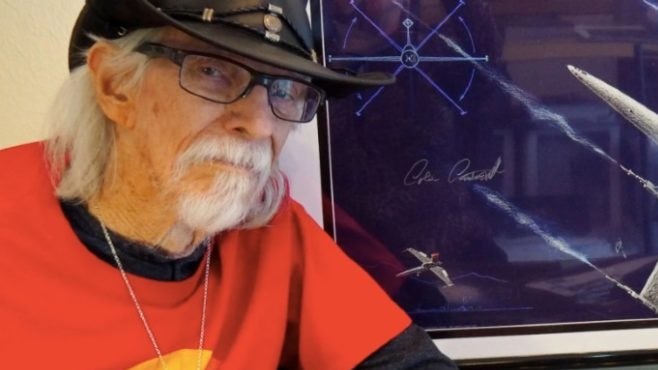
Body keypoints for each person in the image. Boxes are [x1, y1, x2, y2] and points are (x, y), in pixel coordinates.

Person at [0, 0, 458, 368]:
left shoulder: (268, 226)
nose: (259, 125)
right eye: (212, 71)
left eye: (285, 90)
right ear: (117, 86)